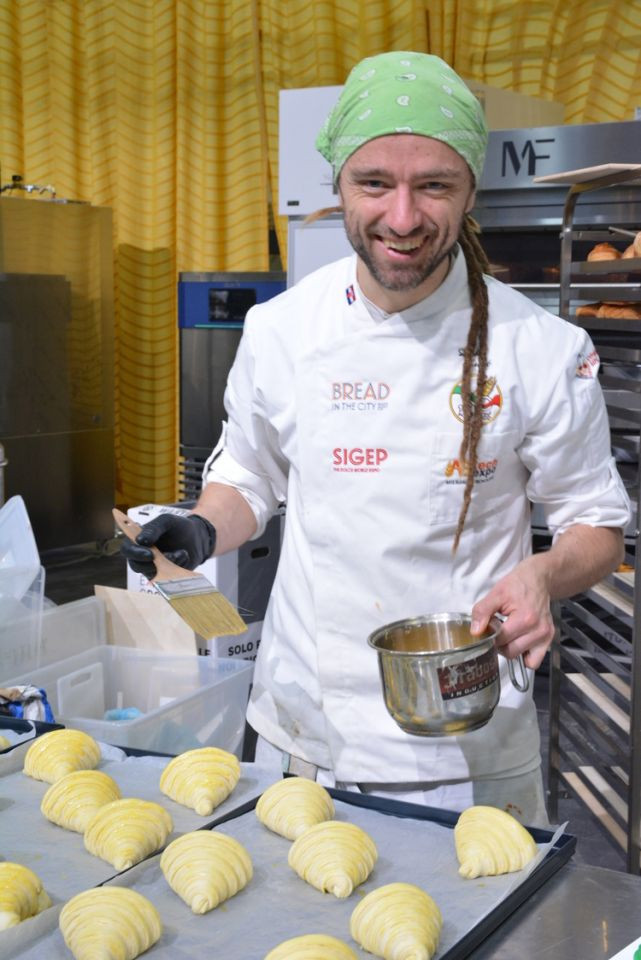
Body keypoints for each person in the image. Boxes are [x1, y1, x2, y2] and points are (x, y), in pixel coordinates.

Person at [122, 51, 630, 825]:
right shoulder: (281, 330)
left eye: (433, 185)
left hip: (465, 741)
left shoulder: (540, 347)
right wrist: (196, 529)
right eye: (373, 184)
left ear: (470, 192)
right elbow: (250, 479)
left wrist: (542, 575)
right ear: (337, 186)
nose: (401, 217)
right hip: (305, 728)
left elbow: (595, 525)